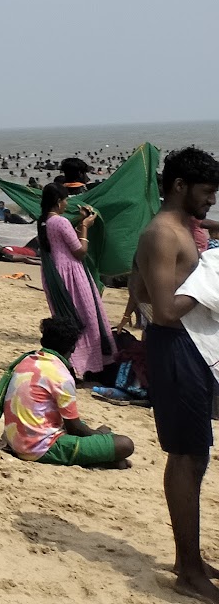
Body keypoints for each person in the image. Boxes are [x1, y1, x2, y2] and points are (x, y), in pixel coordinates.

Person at [131, 146, 219, 601]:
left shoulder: (185, 226)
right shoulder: (162, 234)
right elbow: (163, 310)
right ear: (180, 186)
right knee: (185, 457)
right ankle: (187, 570)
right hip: (175, 347)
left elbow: (135, 284)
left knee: (198, 453)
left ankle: (193, 558)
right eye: (206, 193)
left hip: (191, 348)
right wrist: (209, 281)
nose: (211, 202)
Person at [0, 314, 134, 468]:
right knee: (125, 444)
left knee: (97, 435)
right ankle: (104, 458)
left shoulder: (26, 361)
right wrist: (100, 435)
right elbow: (75, 428)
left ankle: (105, 457)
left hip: (15, 439)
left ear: (42, 341)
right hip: (38, 447)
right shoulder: (61, 375)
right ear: (73, 347)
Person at [36, 182, 115, 377]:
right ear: (58, 201)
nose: (66, 204)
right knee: (86, 317)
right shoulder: (60, 222)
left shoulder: (45, 221)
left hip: (55, 273)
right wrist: (85, 227)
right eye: (64, 200)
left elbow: (61, 238)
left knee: (67, 317)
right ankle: (91, 365)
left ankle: (73, 363)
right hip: (71, 273)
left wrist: (78, 221)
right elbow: (80, 252)